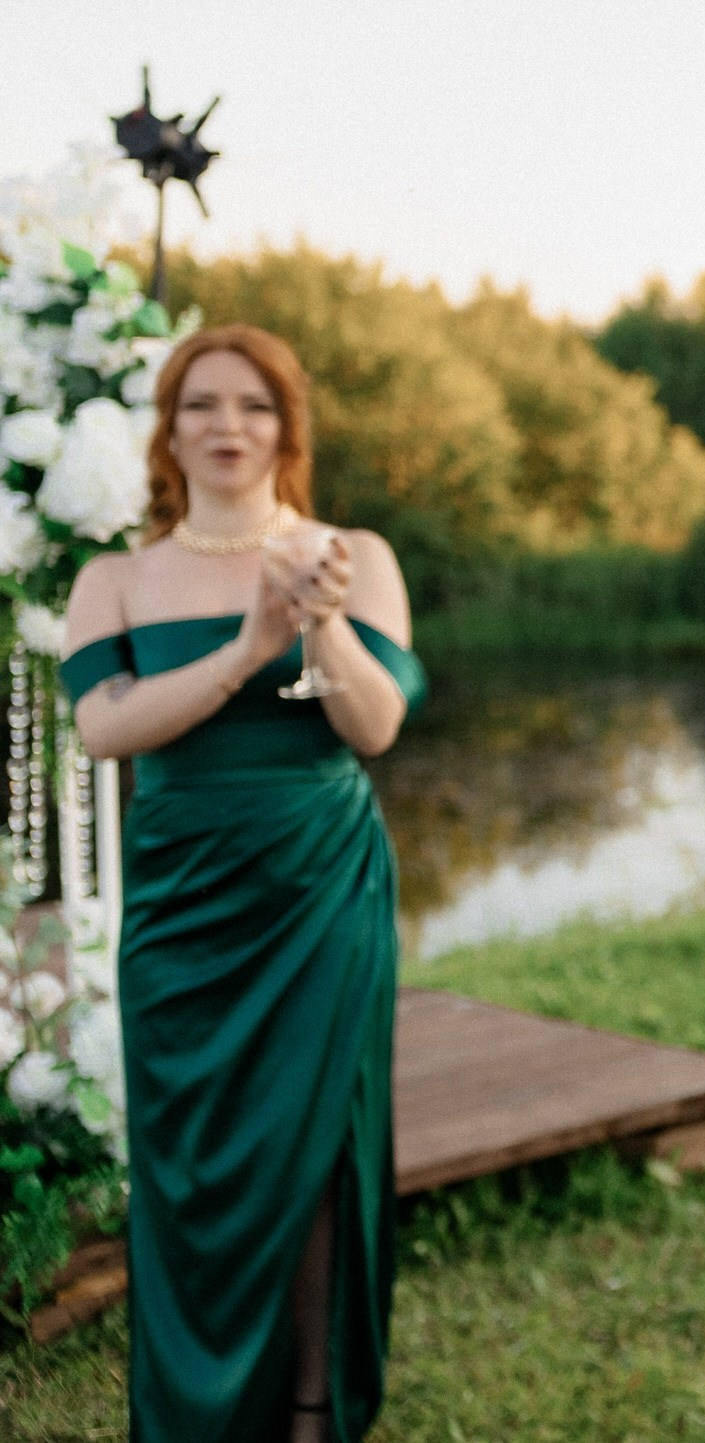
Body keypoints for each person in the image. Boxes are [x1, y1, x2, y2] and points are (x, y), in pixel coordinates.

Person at [61, 324, 423, 1443]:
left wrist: (317, 620)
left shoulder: (350, 550)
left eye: (255, 405)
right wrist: (244, 644)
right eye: (202, 404)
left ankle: (311, 1410)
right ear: (168, 430)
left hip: (321, 886)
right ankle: (198, 1407)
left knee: (315, 1143)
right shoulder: (115, 576)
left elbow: (374, 724)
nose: (229, 426)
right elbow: (105, 729)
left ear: (287, 427)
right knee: (193, 1155)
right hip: (183, 898)